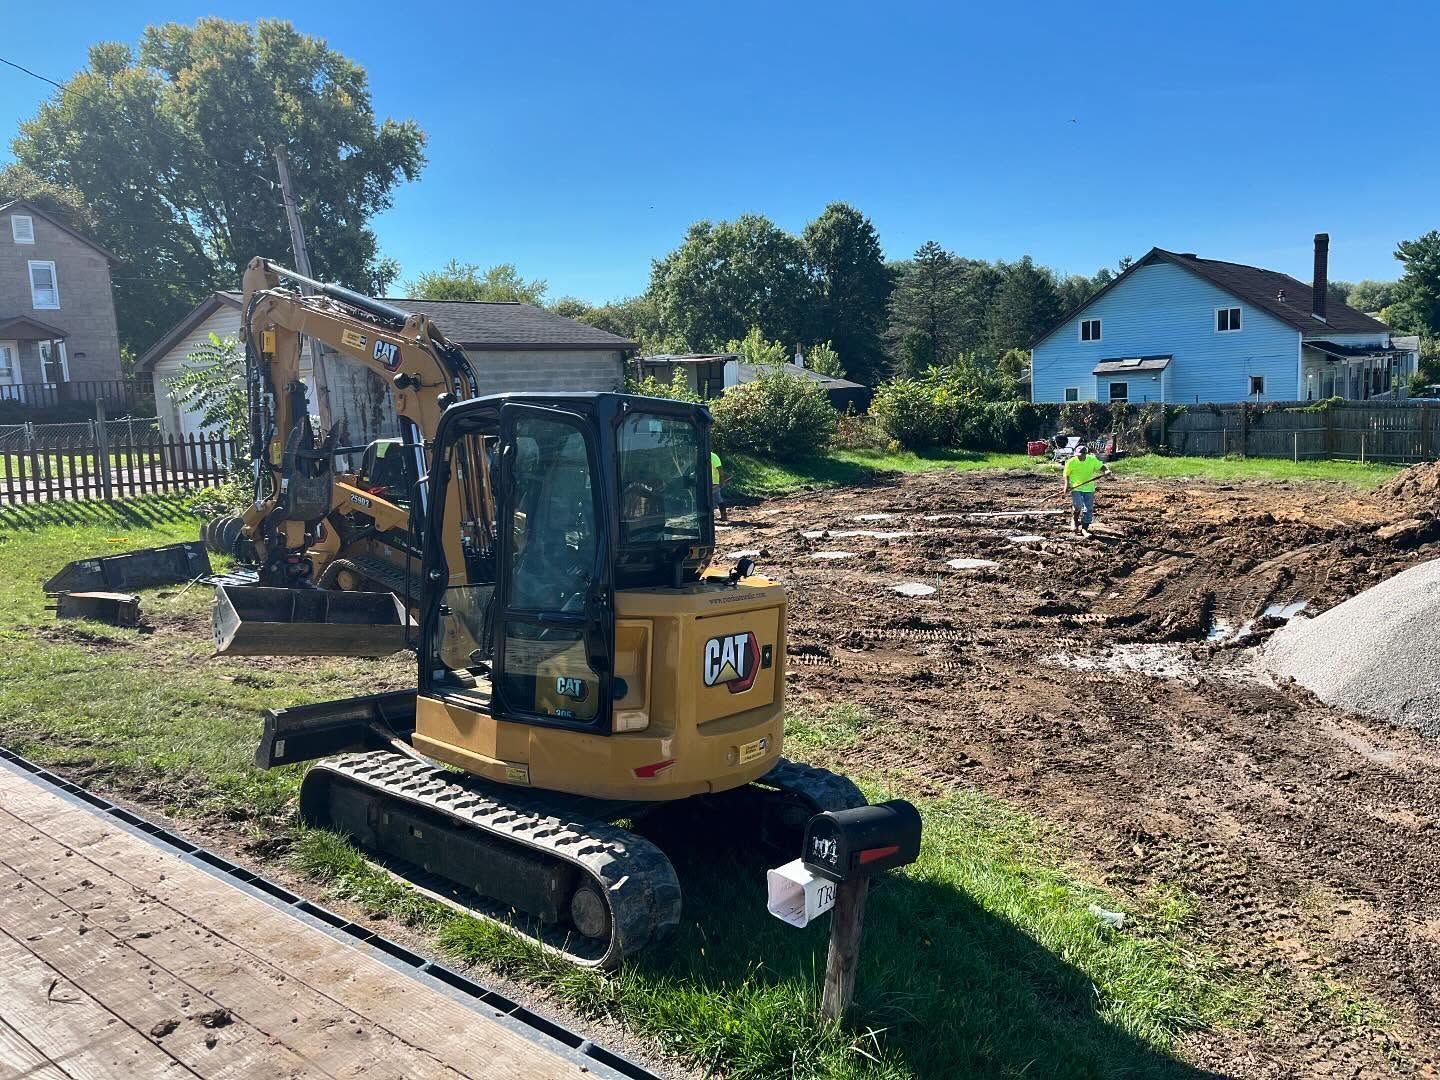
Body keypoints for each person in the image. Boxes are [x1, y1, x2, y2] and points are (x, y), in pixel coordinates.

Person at [1062, 443, 1112, 535]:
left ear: (1086, 454)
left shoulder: (1092, 460)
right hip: (1076, 487)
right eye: (1077, 455)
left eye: (1081, 455)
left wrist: (1106, 471)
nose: (1079, 457)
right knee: (1078, 505)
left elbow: (1102, 466)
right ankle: (1075, 520)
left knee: (1088, 509)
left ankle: (1085, 528)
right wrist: (1066, 486)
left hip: (1089, 488)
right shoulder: (1071, 462)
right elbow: (1066, 474)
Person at [710, 450, 727, 522]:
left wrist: (721, 481)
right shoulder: (701, 456)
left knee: (716, 498)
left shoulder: (713, 457)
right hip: (706, 482)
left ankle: (723, 516)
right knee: (714, 499)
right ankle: (722, 516)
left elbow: (720, 470)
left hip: (714, 482)